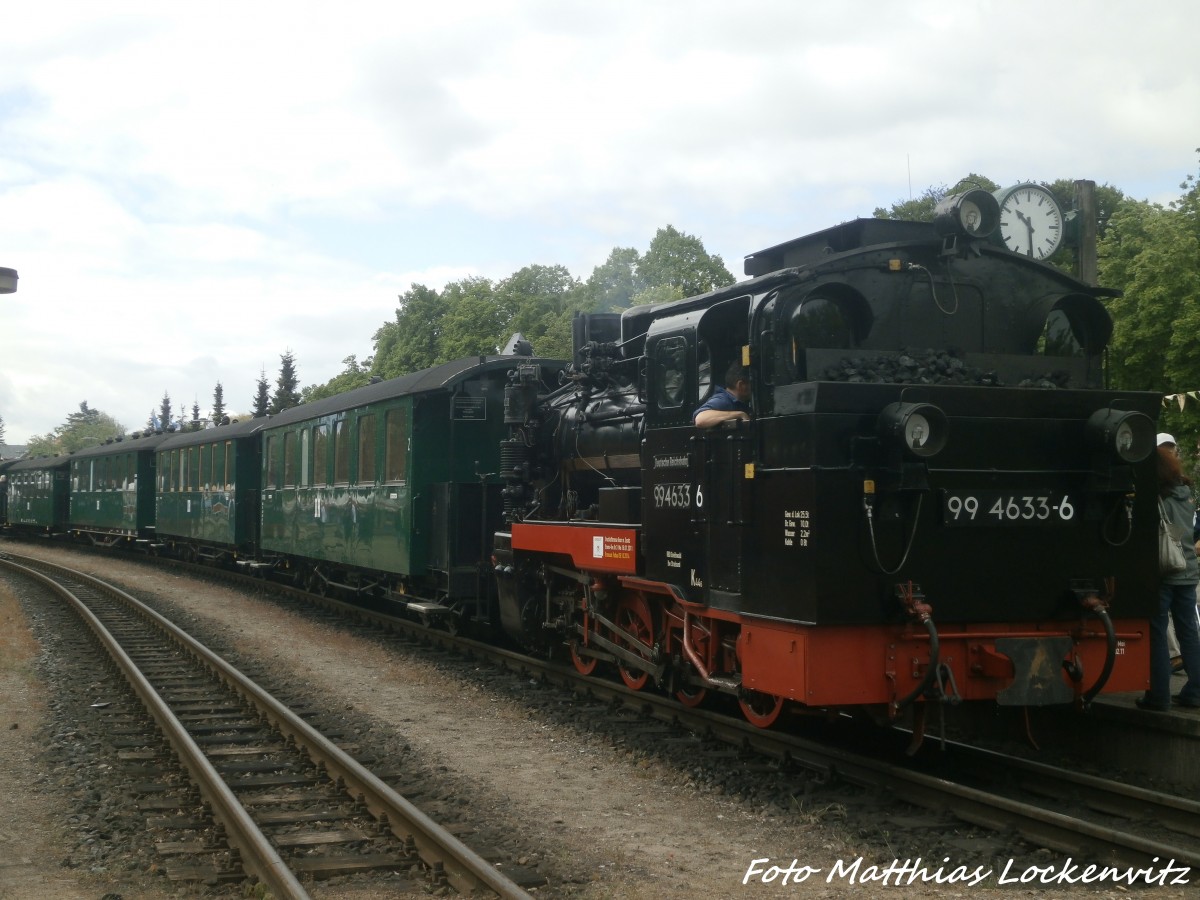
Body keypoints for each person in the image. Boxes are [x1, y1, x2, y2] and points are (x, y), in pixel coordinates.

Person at [1139, 444, 1200, 710]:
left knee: (1158, 632)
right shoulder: (1186, 495)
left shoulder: (1155, 497)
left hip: (1163, 572)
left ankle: (1159, 694)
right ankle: (1196, 691)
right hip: (1187, 570)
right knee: (1190, 632)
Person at [693, 362, 752, 428]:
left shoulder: (741, 402)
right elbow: (700, 419)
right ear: (741, 385)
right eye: (751, 383)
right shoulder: (723, 400)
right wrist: (740, 414)